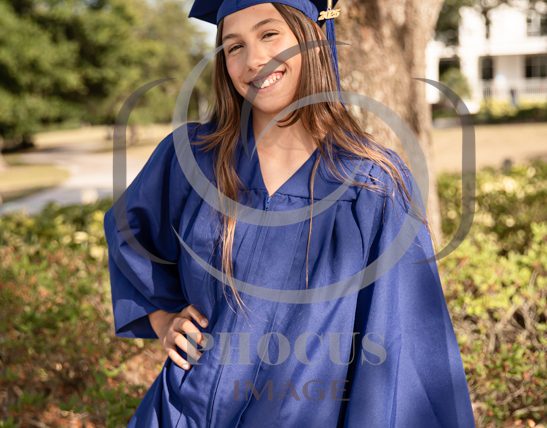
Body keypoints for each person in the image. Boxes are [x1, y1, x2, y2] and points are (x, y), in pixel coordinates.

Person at [103, 1, 476, 427]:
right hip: (183, 413)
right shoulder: (194, 158)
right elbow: (129, 232)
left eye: (269, 34)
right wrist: (163, 318)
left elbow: (402, 348)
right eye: (234, 46)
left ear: (310, 36)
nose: (253, 59)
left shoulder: (370, 184)